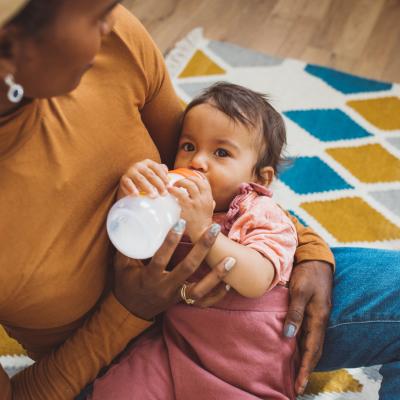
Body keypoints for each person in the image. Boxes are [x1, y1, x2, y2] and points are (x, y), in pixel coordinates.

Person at [0, 1, 398, 400]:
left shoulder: (114, 44)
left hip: (246, 319)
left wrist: (309, 250)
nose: (111, 24)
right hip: (109, 358)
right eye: (96, 16)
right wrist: (128, 311)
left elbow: (222, 173)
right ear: (13, 40)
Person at [90, 82, 302, 399]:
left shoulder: (262, 213)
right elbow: (139, 250)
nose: (198, 162)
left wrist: (204, 229)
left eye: (221, 152)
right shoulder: (170, 204)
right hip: (177, 347)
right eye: (189, 146)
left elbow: (257, 279)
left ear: (260, 177)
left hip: (244, 366)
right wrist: (135, 196)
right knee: (117, 391)